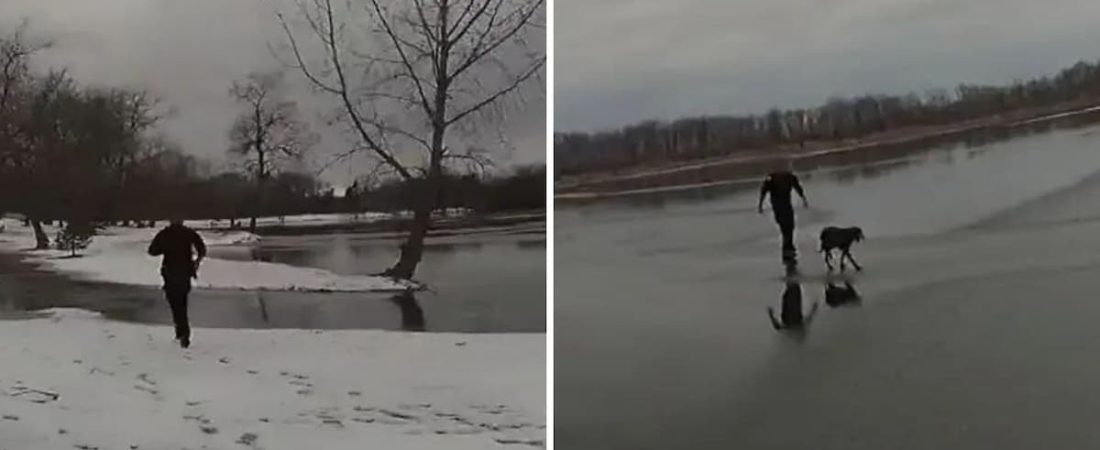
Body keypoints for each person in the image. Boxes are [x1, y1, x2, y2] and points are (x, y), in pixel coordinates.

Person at [147, 218, 206, 348]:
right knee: (182, 301)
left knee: (174, 302)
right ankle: (182, 332)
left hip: (170, 271)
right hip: (185, 271)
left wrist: (165, 248)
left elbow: (152, 251)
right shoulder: (189, 233)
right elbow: (202, 249)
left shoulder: (165, 234)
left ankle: (182, 331)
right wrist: (196, 263)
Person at [758, 161, 808, 264]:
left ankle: (788, 246)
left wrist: (760, 205)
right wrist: (803, 199)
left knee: (786, 226)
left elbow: (763, 192)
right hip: (781, 205)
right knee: (788, 225)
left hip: (780, 205)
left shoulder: (776, 177)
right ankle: (788, 247)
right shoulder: (782, 177)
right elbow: (798, 188)